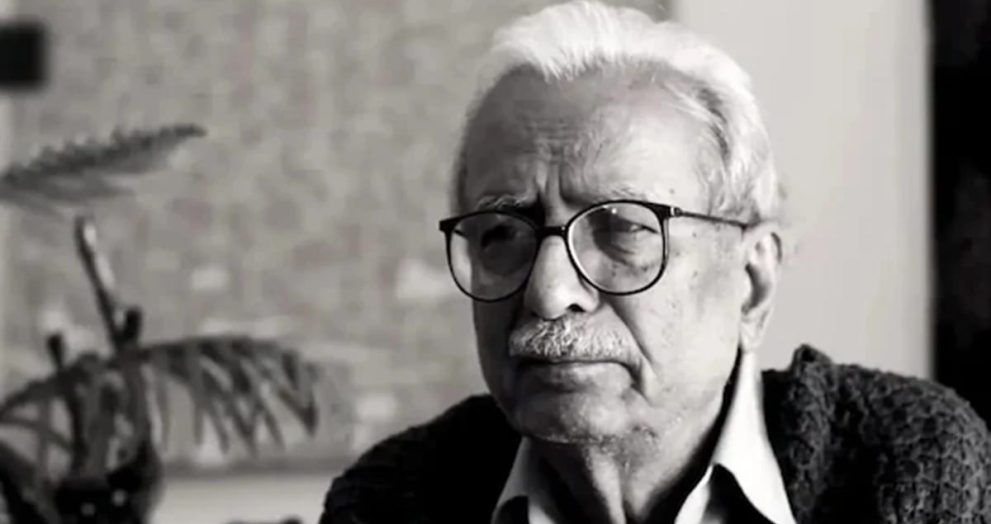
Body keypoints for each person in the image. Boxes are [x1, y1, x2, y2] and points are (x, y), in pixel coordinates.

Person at [320, 2, 991, 522]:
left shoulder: (904, 462)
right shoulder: (394, 499)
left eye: (621, 230)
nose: (549, 291)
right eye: (502, 233)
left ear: (752, 282)